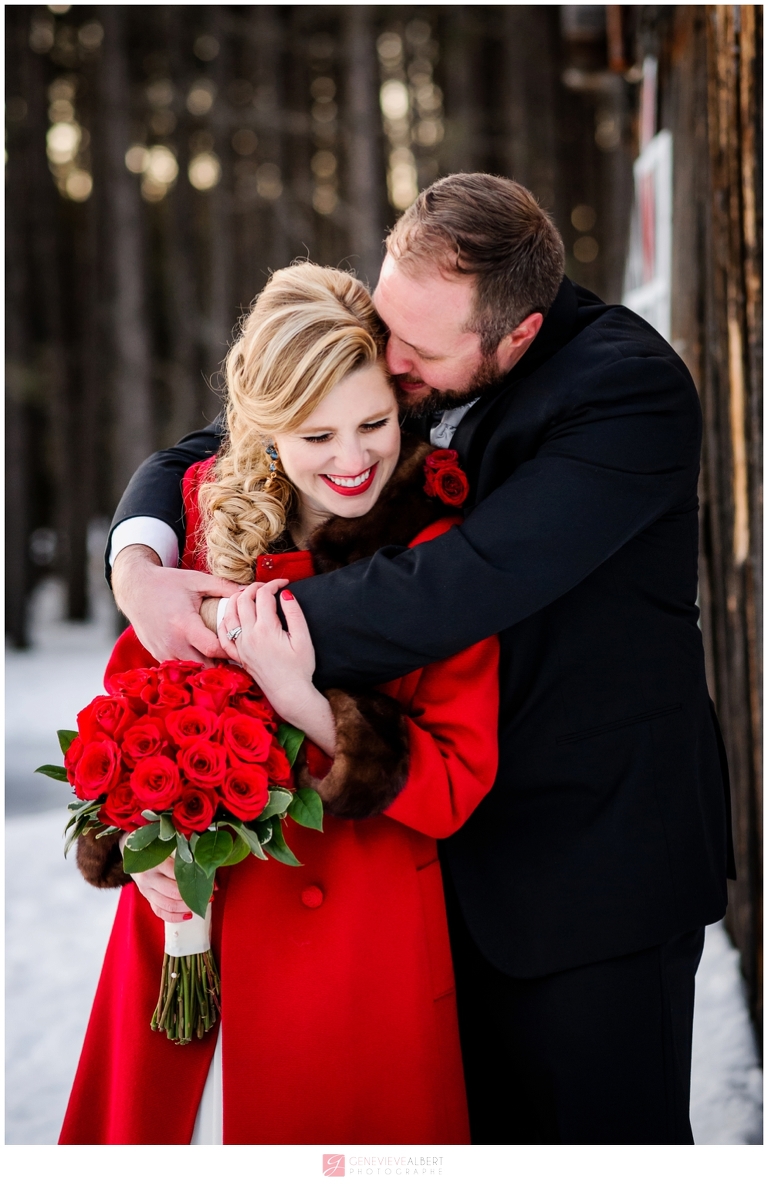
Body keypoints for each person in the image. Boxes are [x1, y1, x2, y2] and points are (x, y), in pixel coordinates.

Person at [105, 174, 734, 1144]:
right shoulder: (418, 335)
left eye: (415, 351)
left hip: (588, 880)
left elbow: (456, 587)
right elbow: (250, 423)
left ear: (515, 338)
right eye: (384, 323)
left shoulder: (629, 396)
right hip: (433, 879)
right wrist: (141, 557)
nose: (384, 361)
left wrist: (236, 632)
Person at [59, 263, 500, 1145]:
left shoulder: (437, 550)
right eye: (317, 435)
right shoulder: (198, 525)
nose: (352, 459)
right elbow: (124, 721)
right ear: (264, 435)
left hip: (353, 953)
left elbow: (456, 781)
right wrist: (134, 849)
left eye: (374, 423)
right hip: (191, 937)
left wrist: (305, 703)